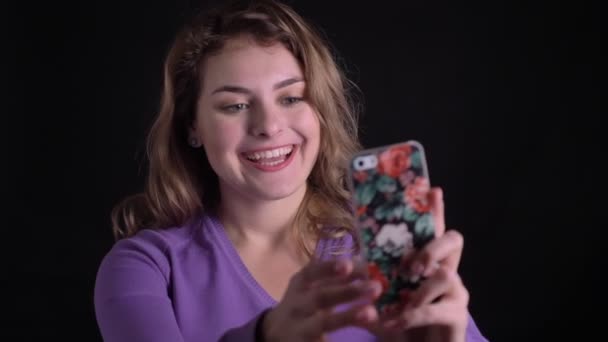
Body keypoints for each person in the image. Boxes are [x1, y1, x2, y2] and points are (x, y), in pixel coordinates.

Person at [93, 0, 488, 341]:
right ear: (191, 126)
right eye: (235, 105)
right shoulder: (144, 268)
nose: (268, 125)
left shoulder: (388, 251)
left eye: (291, 97)